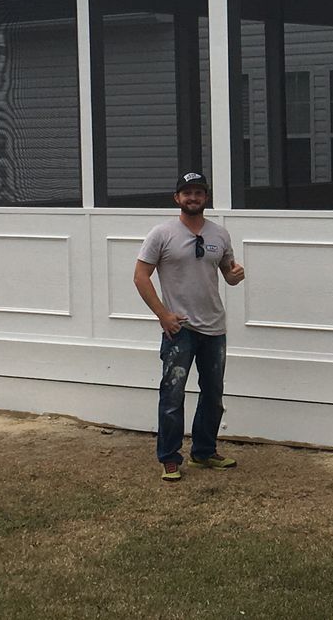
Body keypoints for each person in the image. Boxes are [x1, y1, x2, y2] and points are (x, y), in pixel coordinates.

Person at [134, 171, 246, 482]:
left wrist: (235, 275)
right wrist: (163, 315)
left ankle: (204, 452)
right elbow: (140, 277)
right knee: (172, 395)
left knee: (213, 394)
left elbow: (228, 274)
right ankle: (169, 458)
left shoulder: (219, 235)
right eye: (187, 193)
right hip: (179, 328)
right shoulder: (161, 234)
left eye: (198, 192)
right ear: (177, 198)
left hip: (214, 328)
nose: (193, 198)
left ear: (206, 197)